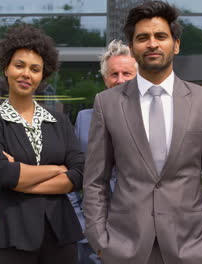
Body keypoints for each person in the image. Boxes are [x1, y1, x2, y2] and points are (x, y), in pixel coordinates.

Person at [82, 2, 202, 264]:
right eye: (142, 38)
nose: (152, 44)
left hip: (191, 249)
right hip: (124, 249)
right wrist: (101, 241)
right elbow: (95, 180)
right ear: (132, 47)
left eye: (160, 36)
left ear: (175, 44)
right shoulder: (106, 104)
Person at [0, 24, 84, 264]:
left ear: (42, 76)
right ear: (6, 68)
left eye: (35, 69)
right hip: (12, 236)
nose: (26, 73)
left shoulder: (59, 120)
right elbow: (4, 174)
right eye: (19, 65)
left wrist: (21, 179)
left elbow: (78, 175)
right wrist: (57, 170)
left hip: (61, 236)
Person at [68, 39, 137, 264]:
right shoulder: (84, 119)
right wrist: (84, 226)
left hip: (139, 236)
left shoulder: (154, 120)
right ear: (105, 78)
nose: (120, 80)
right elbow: (71, 178)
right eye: (114, 74)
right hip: (92, 240)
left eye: (127, 73)